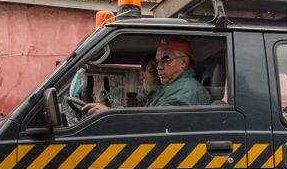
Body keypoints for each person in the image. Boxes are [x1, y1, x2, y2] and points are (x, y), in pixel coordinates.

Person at [83, 38, 211, 114]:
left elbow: (153, 122)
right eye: (158, 62)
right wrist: (112, 112)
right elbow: (146, 113)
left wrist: (111, 113)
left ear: (183, 62)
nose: (159, 67)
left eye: (165, 60)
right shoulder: (173, 89)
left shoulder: (185, 91)